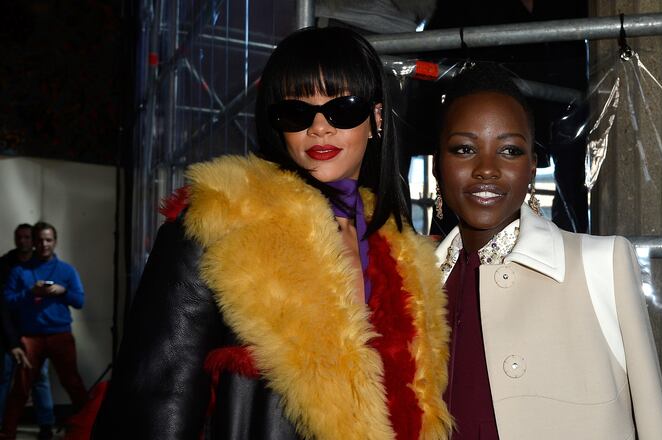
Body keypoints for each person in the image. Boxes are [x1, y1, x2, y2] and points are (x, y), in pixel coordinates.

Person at [92, 27, 451, 440]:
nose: (319, 128)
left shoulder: (402, 250)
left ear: (376, 119)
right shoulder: (222, 222)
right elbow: (155, 396)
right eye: (297, 113)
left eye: (343, 109)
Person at [433, 64, 662, 439]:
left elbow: (653, 424)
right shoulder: (414, 283)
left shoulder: (601, 265)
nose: (486, 169)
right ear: (438, 165)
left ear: (531, 168)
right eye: (464, 149)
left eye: (509, 150)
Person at [2, 222, 88, 439]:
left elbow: (79, 301)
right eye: (39, 240)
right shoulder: (20, 270)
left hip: (60, 334)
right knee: (21, 386)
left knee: (72, 382)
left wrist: (62, 291)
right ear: (34, 242)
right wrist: (31, 292)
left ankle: (88, 427)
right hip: (31, 336)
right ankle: (8, 432)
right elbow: (7, 302)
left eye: (48, 239)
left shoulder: (67, 271)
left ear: (55, 241)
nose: (44, 244)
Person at [0, 224, 56, 440]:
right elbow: (3, 306)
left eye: (27, 237)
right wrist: (12, 342)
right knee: (5, 377)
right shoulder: (6, 266)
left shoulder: (41, 263)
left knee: (40, 378)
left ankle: (45, 425)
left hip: (35, 332)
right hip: (10, 333)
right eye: (19, 237)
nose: (23, 241)